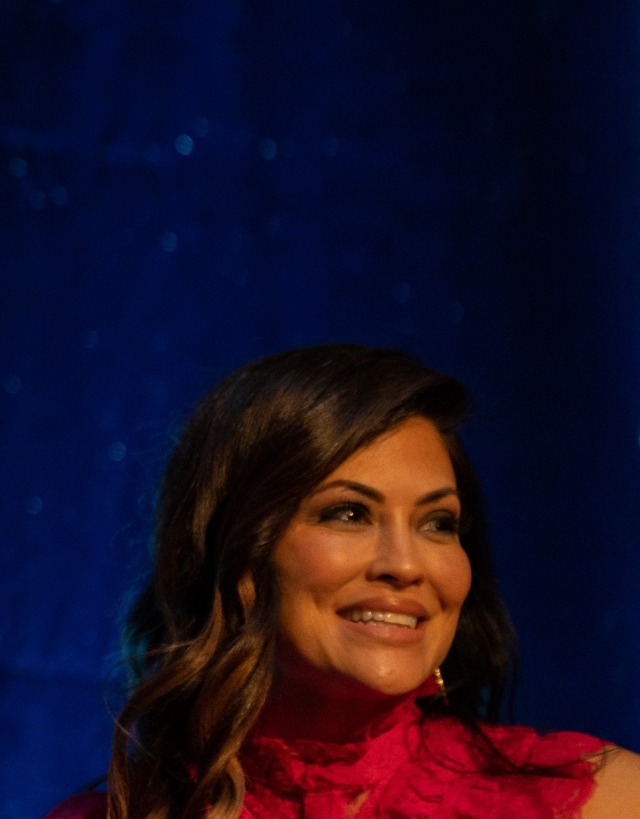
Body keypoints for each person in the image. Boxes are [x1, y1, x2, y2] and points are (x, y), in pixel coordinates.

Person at [44, 345, 640, 819]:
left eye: (439, 523)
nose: (406, 566)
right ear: (234, 552)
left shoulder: (603, 802)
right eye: (348, 514)